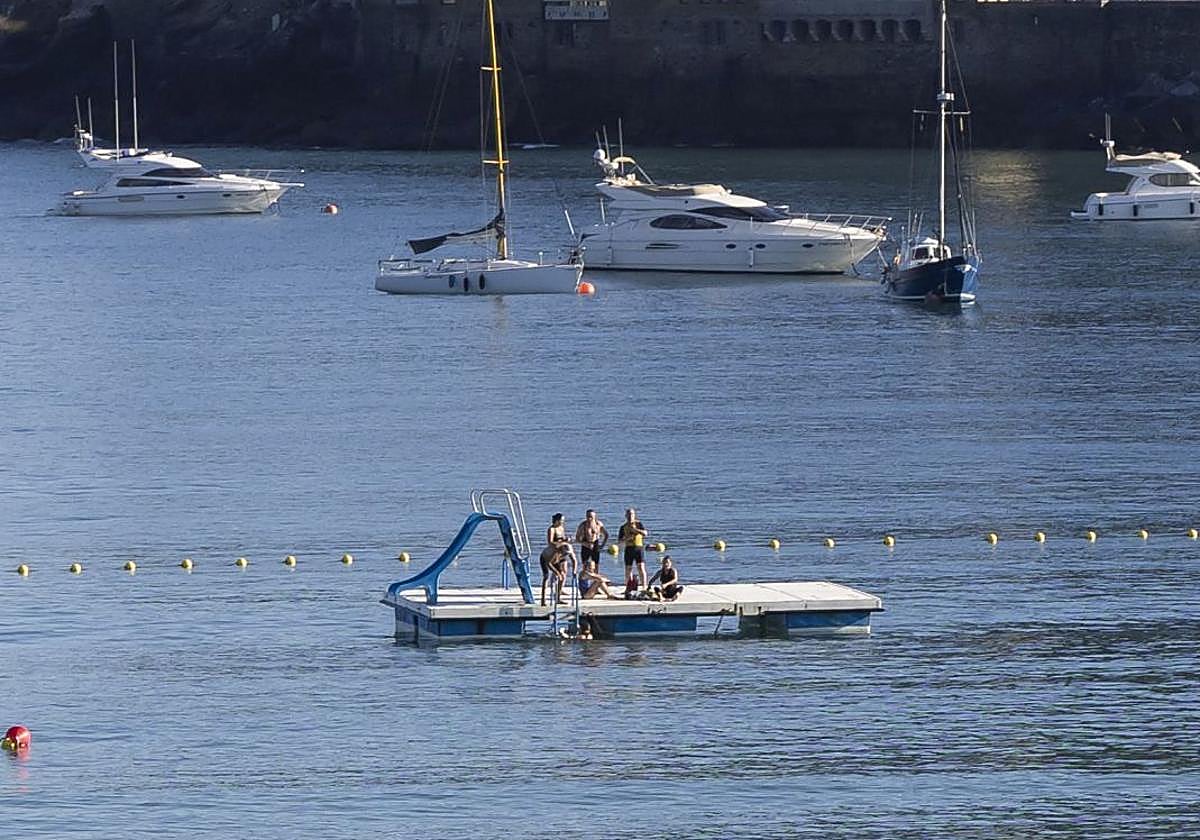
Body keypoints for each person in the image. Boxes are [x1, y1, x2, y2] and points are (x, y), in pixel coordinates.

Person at [618, 507, 648, 592]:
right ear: (626, 516)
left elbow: (645, 533)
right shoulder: (623, 527)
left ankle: (644, 587)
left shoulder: (638, 524)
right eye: (628, 514)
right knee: (628, 569)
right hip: (629, 548)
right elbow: (620, 540)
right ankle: (628, 587)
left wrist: (635, 530)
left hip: (638, 547)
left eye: (631, 514)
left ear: (634, 515)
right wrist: (627, 538)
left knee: (641, 567)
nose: (630, 516)